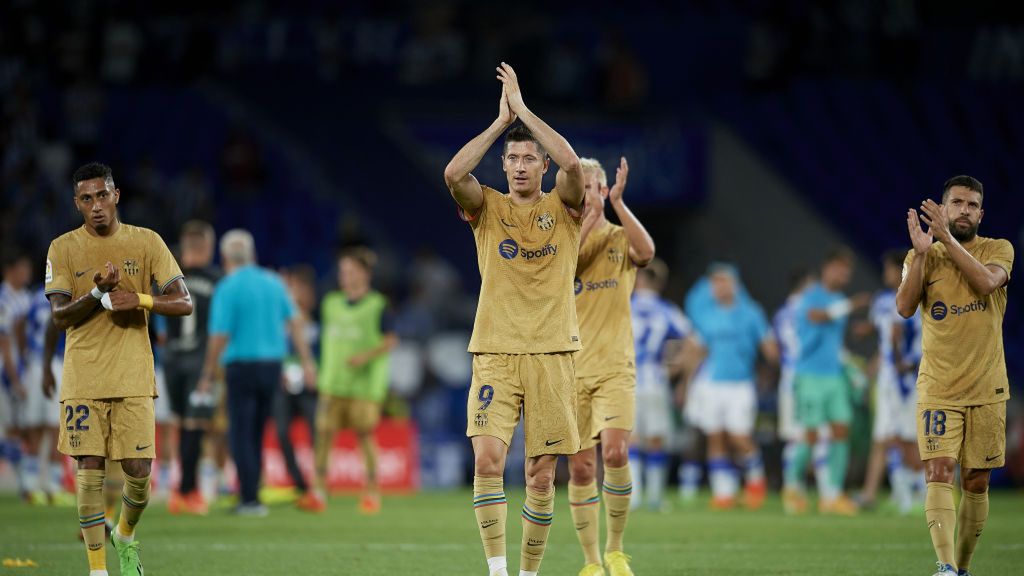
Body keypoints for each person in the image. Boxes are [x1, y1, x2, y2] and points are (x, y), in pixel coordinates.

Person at [443, 62, 585, 576]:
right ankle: (498, 572)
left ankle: (529, 573)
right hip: (495, 351)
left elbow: (573, 167)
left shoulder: (564, 206)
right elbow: (455, 175)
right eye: (513, 159)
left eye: (530, 158)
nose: (521, 165)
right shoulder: (488, 209)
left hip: (553, 352)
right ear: (503, 166)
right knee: (486, 460)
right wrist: (500, 124)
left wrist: (525, 111)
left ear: (541, 167)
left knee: (541, 475)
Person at [44, 162, 193, 576]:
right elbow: (59, 317)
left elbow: (185, 303)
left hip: (133, 376)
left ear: (116, 195)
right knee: (89, 468)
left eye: (102, 195)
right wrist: (97, 291)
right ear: (77, 203)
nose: (96, 206)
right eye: (86, 199)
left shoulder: (147, 243)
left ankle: (124, 534)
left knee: (139, 473)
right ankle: (97, 570)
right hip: (83, 377)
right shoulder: (62, 248)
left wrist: (141, 300)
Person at [896, 175, 1013, 576]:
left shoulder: (999, 249)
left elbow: (985, 282)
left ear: (981, 212)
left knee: (976, 481)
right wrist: (924, 255)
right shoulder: (923, 256)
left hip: (987, 386)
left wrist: (947, 240)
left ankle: (962, 567)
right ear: (943, 208)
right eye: (957, 202)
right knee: (938, 470)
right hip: (939, 387)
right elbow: (905, 307)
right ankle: (945, 567)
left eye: (972, 204)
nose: (964, 209)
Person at [565, 156, 653, 576]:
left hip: (616, 367)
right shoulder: (557, 240)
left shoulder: (620, 237)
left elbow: (647, 252)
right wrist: (584, 221)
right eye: (580, 187)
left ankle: (616, 550)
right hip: (569, 371)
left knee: (616, 452)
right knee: (581, 466)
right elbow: (563, 269)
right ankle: (591, 561)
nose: (588, 195)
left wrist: (617, 204)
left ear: (604, 189)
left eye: (594, 187)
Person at [197, 229, 316, 517]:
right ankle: (254, 492)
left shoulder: (227, 287)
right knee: (258, 431)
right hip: (271, 367)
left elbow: (218, 336)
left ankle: (250, 499)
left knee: (241, 433)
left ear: (225, 257)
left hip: (241, 366)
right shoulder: (273, 282)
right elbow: (296, 322)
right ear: (252, 254)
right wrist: (308, 362)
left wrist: (207, 374)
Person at [309, 248, 396, 513]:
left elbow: (392, 340)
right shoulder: (330, 303)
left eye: (350, 271)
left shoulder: (378, 305)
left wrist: (365, 356)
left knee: (365, 435)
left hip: (364, 387)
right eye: (342, 271)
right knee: (323, 436)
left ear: (364, 274)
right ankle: (319, 492)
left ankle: (371, 492)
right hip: (332, 383)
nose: (344, 276)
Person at [783, 247, 867, 516]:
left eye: (847, 271)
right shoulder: (810, 297)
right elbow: (817, 317)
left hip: (833, 377)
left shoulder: (839, 298)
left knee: (842, 431)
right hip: (809, 376)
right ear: (826, 268)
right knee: (810, 435)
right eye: (839, 268)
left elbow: (833, 341)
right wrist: (851, 306)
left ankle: (831, 495)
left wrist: (849, 368)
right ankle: (792, 486)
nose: (844, 274)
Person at [686, 264, 777, 510]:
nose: (718, 287)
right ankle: (723, 493)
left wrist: (776, 365)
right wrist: (687, 382)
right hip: (712, 384)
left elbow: (768, 345)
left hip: (740, 384)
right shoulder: (707, 315)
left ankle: (756, 484)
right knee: (715, 438)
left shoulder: (751, 312)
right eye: (715, 282)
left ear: (734, 284)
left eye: (723, 282)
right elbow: (700, 350)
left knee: (739, 437)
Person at [164, 220, 222, 516]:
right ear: (208, 248)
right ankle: (190, 490)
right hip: (201, 362)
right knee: (195, 424)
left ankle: (178, 490)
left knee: (176, 423)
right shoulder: (217, 279)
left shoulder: (166, 275)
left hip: (171, 358)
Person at [858, 250, 921, 513]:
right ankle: (874, 493)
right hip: (886, 378)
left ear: (901, 270)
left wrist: (905, 362)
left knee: (907, 438)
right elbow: (884, 343)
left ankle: (919, 491)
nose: (885, 274)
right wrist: (870, 373)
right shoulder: (882, 300)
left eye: (889, 269)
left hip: (908, 378)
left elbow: (912, 340)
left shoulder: (918, 299)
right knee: (884, 436)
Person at [628, 258, 692, 512]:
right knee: (656, 439)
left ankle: (633, 497)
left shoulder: (624, 306)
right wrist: (675, 368)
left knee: (630, 439)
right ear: (660, 283)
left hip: (627, 379)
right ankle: (655, 497)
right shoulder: (666, 310)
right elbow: (691, 342)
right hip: (655, 379)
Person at [18, 286, 72, 505]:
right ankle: (52, 486)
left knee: (35, 429)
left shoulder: (32, 298)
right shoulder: (64, 296)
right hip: (55, 363)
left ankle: (30, 487)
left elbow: (19, 326)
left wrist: (25, 354)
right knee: (56, 428)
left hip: (33, 364)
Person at [274, 264, 320, 511]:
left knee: (316, 432)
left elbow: (321, 350)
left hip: (309, 385)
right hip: (284, 384)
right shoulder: (281, 318)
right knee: (282, 432)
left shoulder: (316, 318)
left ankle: (318, 483)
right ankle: (299, 482)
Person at [0, 249, 34, 499]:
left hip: (23, 370)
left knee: (21, 427)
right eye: (21, 269)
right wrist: (13, 378)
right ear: (9, 271)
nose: (26, 274)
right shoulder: (3, 300)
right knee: (11, 428)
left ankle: (26, 484)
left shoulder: (26, 297)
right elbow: (4, 344)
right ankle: (23, 485)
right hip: (5, 372)